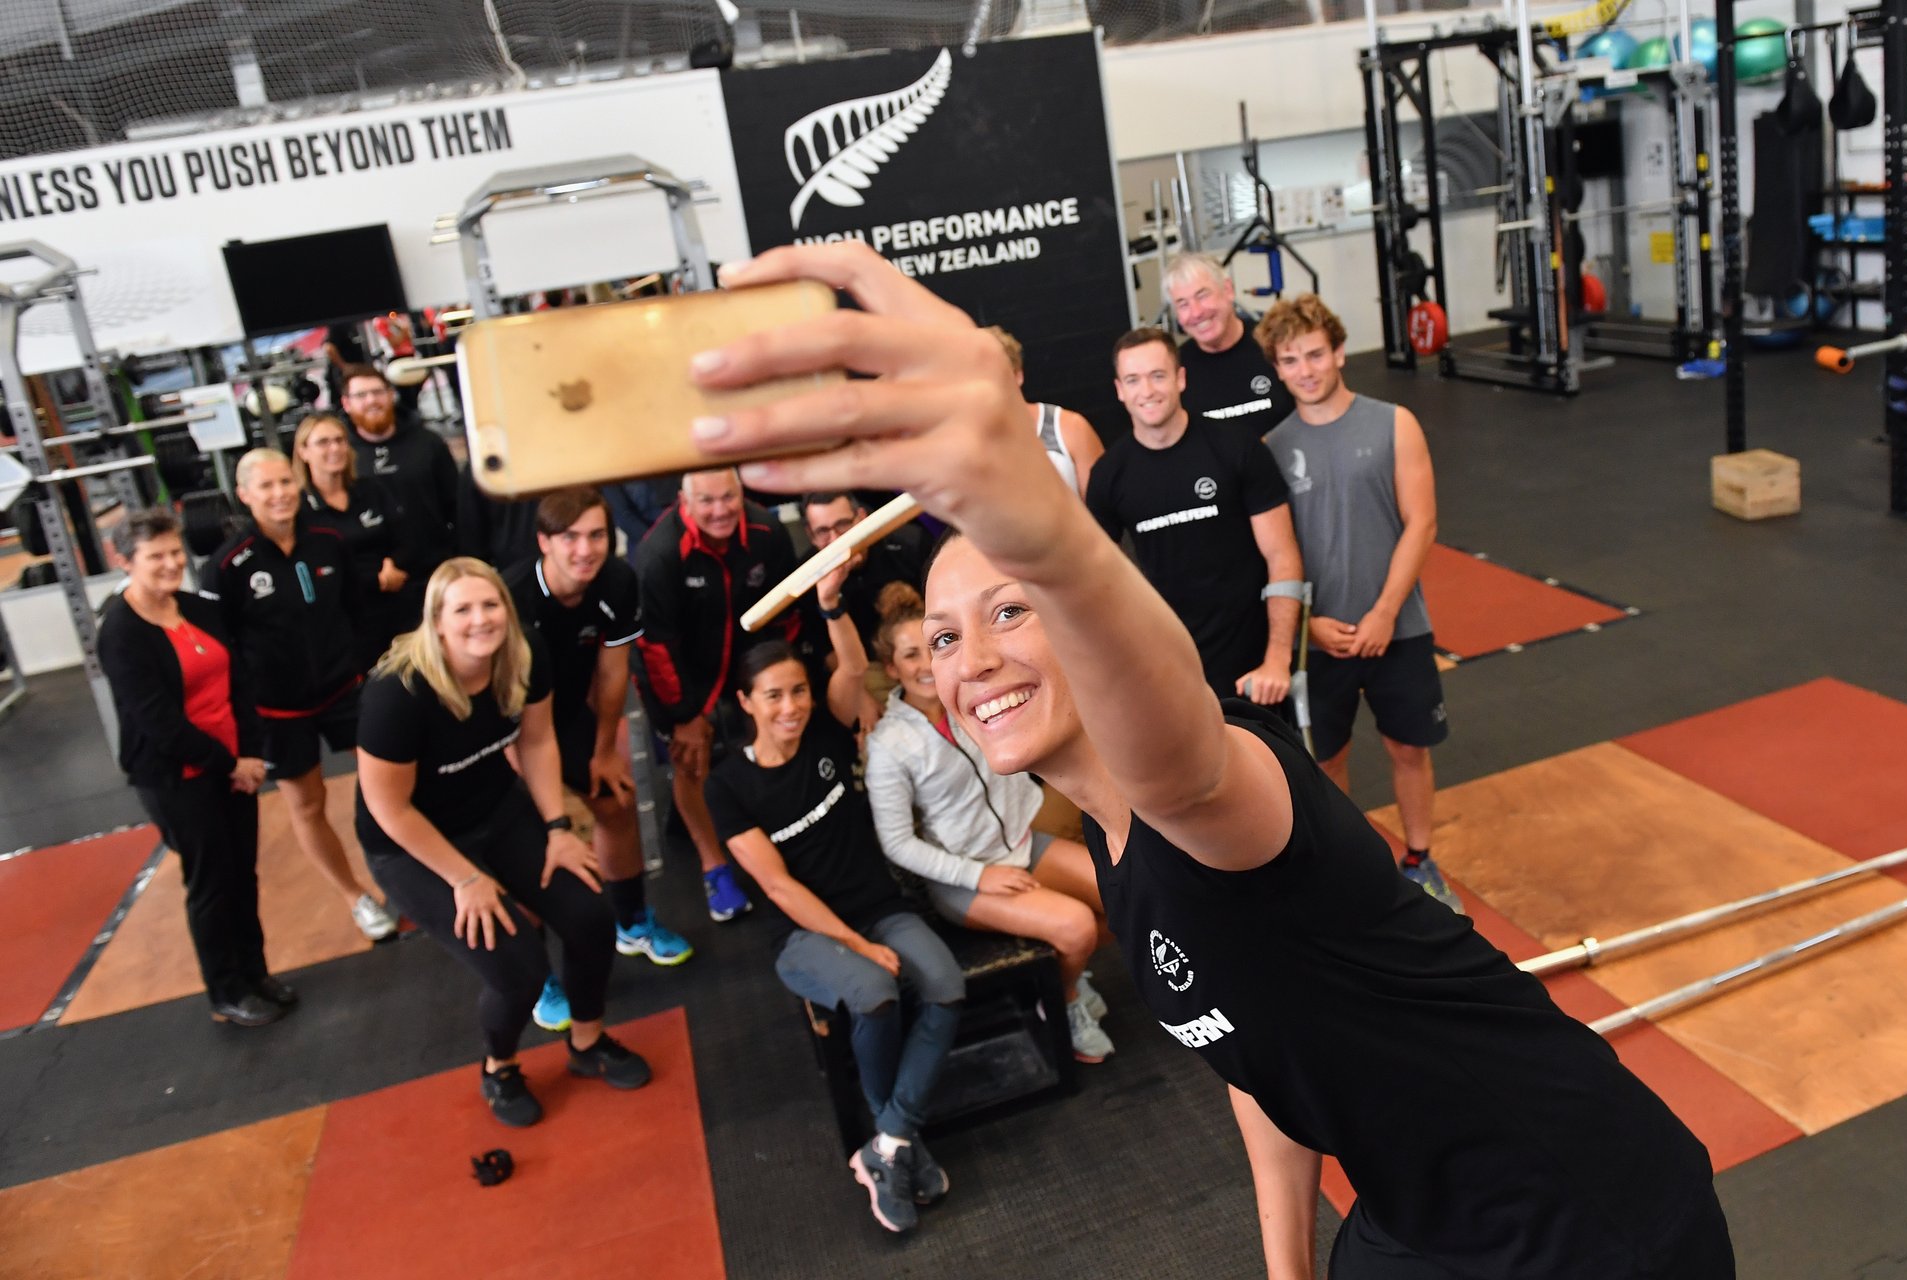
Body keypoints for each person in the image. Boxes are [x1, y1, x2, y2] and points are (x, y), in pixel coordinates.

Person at [683, 240, 1734, 1280]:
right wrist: (1285, 1266)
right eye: (949, 637)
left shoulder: (1216, 786)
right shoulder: (1106, 844)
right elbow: (1255, 1053)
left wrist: (1045, 526)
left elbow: (1171, 747)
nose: (976, 659)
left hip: (1581, 1207)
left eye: (1013, 608)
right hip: (1417, 1207)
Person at [703, 561, 964, 1236]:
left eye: (797, 691)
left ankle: (890, 1143)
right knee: (874, 992)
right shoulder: (728, 786)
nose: (790, 707)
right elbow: (778, 885)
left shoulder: (825, 732)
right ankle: (899, 1140)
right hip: (803, 937)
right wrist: (855, 945)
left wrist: (829, 604)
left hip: (880, 905)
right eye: (772, 697)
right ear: (745, 703)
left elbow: (850, 667)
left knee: (945, 985)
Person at [355, 558, 652, 1126]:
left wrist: (558, 828)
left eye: (490, 605)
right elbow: (388, 808)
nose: (479, 620)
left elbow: (537, 742)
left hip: (495, 809)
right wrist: (465, 878)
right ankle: (500, 1067)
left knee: (590, 915)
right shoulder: (398, 692)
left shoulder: (524, 654)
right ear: (437, 622)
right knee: (516, 967)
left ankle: (587, 1046)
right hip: (411, 843)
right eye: (462, 609)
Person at [1257, 295, 1458, 910]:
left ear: (1338, 352)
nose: (1306, 369)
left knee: (1408, 748)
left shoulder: (1394, 423)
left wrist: (1384, 612)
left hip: (1398, 626)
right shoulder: (1269, 446)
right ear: (1279, 369)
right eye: (1291, 360)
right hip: (1320, 640)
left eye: (1315, 354)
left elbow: (1420, 523)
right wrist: (1307, 629)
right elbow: (1273, 553)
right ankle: (1356, 874)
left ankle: (1421, 860)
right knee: (1328, 760)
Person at [863, 582, 1115, 1064]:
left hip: (1023, 840)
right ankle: (1063, 1000)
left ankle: (1068, 973)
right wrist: (979, 876)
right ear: (892, 669)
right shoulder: (888, 746)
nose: (923, 666)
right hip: (964, 876)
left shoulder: (974, 696)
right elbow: (896, 843)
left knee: (1122, 895)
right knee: (1079, 927)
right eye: (908, 656)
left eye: (932, 648)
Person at [506, 488, 693, 1030]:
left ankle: (631, 921)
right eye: (570, 538)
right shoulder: (515, 598)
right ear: (545, 542)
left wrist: (603, 749)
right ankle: (538, 975)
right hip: (506, 728)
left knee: (617, 800)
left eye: (596, 536)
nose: (585, 550)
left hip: (567, 712)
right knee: (531, 847)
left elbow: (613, 674)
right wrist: (534, 790)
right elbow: (500, 706)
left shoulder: (616, 580)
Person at [98, 509, 289, 1028]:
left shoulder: (196, 607)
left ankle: (255, 972)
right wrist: (230, 764)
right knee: (212, 881)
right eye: (155, 556)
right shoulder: (121, 632)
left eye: (175, 552)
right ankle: (226, 991)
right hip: (179, 776)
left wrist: (250, 755)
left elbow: (238, 683)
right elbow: (160, 724)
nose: (170, 564)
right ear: (125, 561)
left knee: (243, 873)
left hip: (234, 765)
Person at [211, 449, 398, 941]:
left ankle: (408, 874)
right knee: (308, 804)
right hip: (277, 709)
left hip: (343, 689)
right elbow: (223, 648)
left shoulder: (328, 540)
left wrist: (359, 668)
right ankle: (356, 896)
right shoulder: (229, 564)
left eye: (286, 483)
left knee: (390, 781)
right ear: (246, 495)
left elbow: (357, 613)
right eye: (267, 487)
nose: (280, 495)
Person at [1085, 328, 1305, 706]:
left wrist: (1277, 659)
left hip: (1254, 670)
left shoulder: (1237, 448)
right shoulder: (1109, 475)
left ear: (1180, 378)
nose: (1148, 391)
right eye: (1134, 380)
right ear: (1120, 389)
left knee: (1276, 766)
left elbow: (1282, 557)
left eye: (1158, 375)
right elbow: (1093, 579)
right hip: (1171, 670)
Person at [632, 466, 805, 924]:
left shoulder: (767, 531)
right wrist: (685, 717)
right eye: (706, 501)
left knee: (775, 742)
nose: (720, 510)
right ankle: (714, 866)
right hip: (683, 673)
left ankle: (784, 838)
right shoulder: (659, 555)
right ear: (684, 502)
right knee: (692, 763)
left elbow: (788, 605)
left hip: (750, 660)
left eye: (728, 497)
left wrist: (782, 676)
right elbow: (655, 648)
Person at [291, 412, 416, 671]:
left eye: (340, 440)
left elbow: (408, 537)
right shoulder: (299, 509)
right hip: (346, 620)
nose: (334, 448)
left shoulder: (372, 490)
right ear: (303, 452)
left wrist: (394, 564)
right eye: (323, 442)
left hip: (397, 604)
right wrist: (375, 580)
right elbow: (317, 569)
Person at [340, 362, 459, 581]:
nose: (372, 401)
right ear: (346, 404)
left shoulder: (428, 443)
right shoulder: (340, 454)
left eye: (378, 392)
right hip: (375, 580)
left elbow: (458, 506)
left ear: (391, 394)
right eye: (361, 395)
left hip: (435, 569)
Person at [1165, 253, 1295, 450]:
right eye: (1183, 304)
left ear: (1228, 290)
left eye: (1203, 295)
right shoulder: (1176, 370)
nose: (1196, 312)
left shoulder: (1274, 344)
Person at [983, 325, 1104, 497]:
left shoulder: (1069, 428)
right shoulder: (964, 446)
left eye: (996, 372)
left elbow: (1104, 513)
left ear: (1018, 375)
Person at [798, 490, 928, 649]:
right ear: (811, 535)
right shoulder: (806, 575)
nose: (836, 539)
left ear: (861, 517)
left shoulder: (910, 544)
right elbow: (826, 653)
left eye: (843, 524)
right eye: (823, 531)